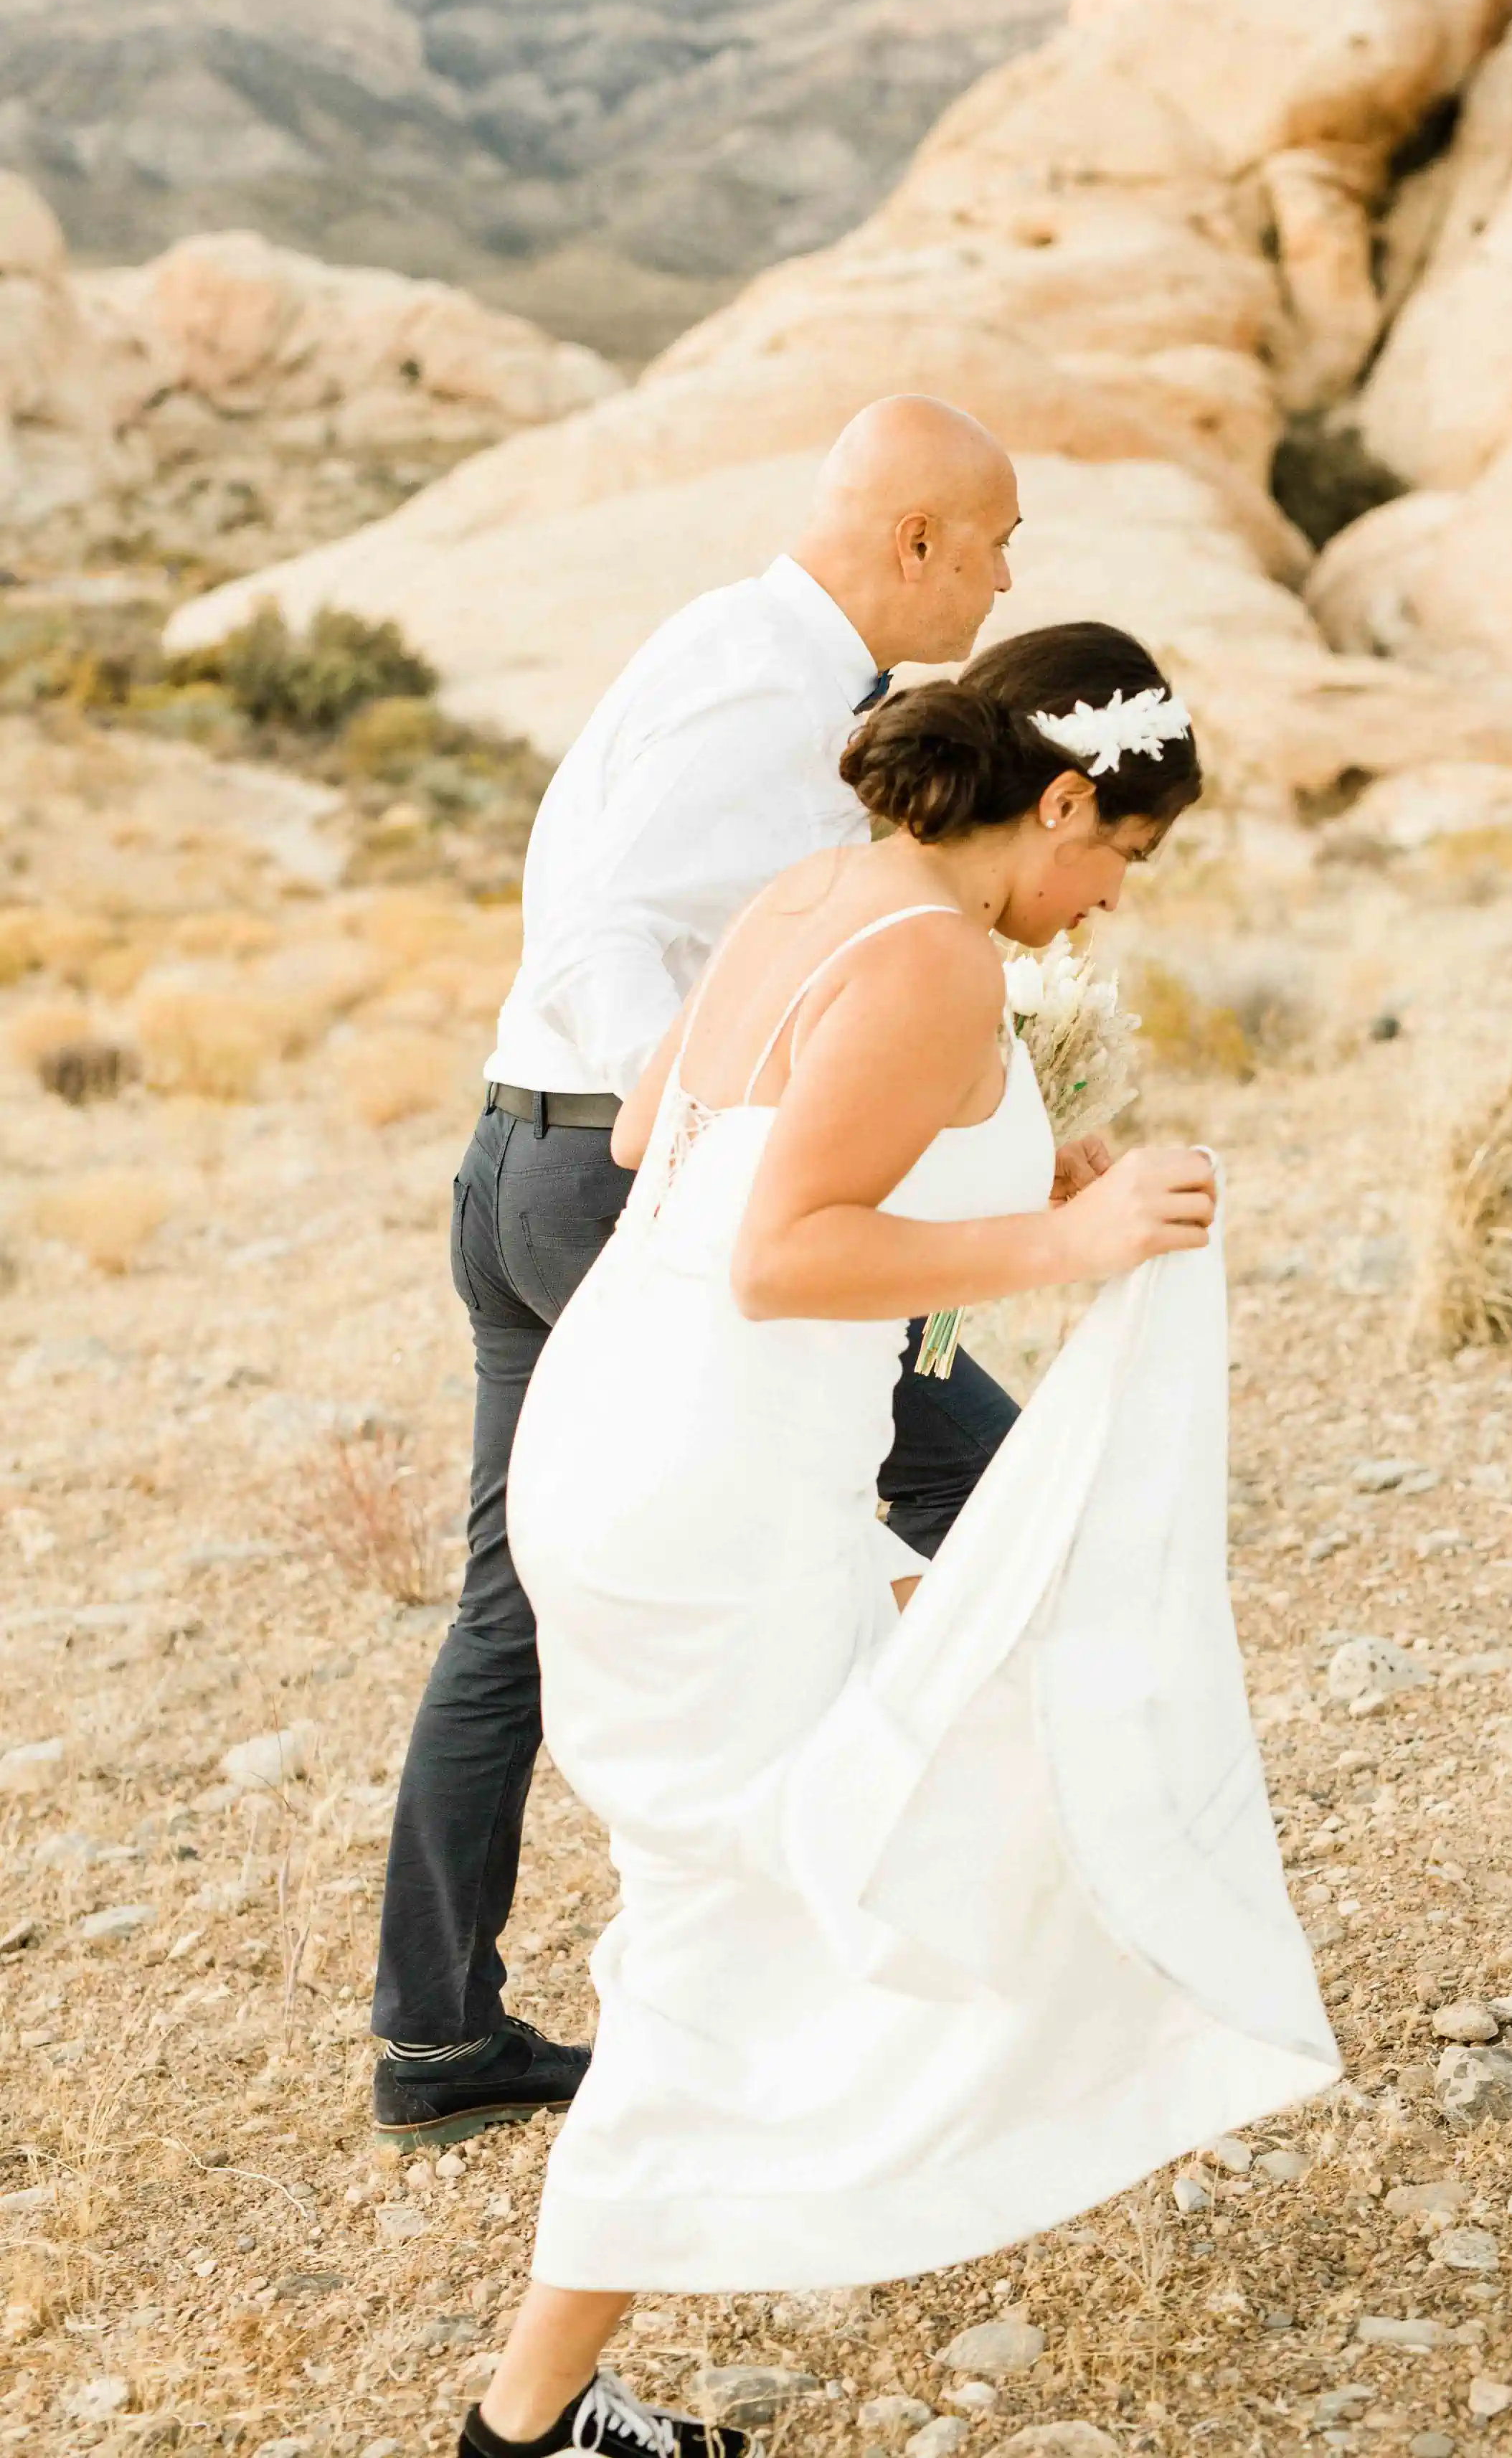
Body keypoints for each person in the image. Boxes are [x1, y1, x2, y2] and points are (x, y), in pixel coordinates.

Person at [456, 626, 1338, 2458]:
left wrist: (1021, 1173)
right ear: (1065, 795)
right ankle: (525, 2420)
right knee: (729, 1917)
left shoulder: (815, 893)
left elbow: (657, 1141)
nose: (1100, 906)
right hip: (712, 1488)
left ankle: (893, 2126)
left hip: (626, 1439)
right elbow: (786, 1254)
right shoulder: (933, 958)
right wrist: (1064, 1248)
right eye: (1117, 857)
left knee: (902, 1761)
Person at [371, 398, 1072, 2145]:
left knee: (511, 1614)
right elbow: (604, 925)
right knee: (1007, 1492)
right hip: (611, 1184)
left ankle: (439, 2041)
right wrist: (698, 1132)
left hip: (526, 1162)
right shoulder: (764, 691)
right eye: (993, 540)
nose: (1006, 574)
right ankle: (950, 1964)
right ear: (914, 540)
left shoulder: (759, 655)